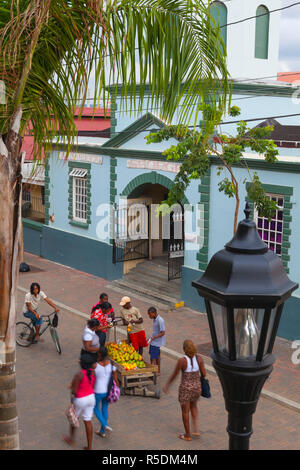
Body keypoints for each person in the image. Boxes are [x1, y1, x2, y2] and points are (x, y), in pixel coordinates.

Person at [163, 339, 207, 442]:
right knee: (194, 406)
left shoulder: (182, 361)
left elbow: (175, 374)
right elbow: (204, 374)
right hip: (197, 388)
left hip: (185, 389)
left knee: (185, 412)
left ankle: (187, 435)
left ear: (184, 349)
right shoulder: (199, 359)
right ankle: (195, 429)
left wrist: (167, 385)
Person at [63, 357, 96, 450]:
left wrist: (72, 402)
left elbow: (74, 391)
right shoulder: (93, 373)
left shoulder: (79, 374)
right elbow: (93, 385)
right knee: (88, 421)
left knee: (73, 418)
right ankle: (89, 447)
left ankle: (71, 439)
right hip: (91, 398)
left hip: (81, 399)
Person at [93, 346, 119, 438]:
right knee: (105, 408)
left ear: (99, 354)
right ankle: (102, 431)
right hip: (108, 391)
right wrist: (117, 389)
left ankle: (104, 425)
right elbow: (115, 379)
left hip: (98, 391)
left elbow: (93, 380)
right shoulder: (111, 365)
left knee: (95, 408)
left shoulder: (95, 366)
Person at [147, 307, 166, 375]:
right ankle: (157, 370)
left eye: (150, 314)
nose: (149, 316)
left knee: (153, 356)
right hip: (154, 340)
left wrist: (154, 338)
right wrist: (150, 338)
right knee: (156, 356)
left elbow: (163, 332)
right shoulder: (155, 319)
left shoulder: (160, 320)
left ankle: (154, 371)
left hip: (157, 342)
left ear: (154, 313)